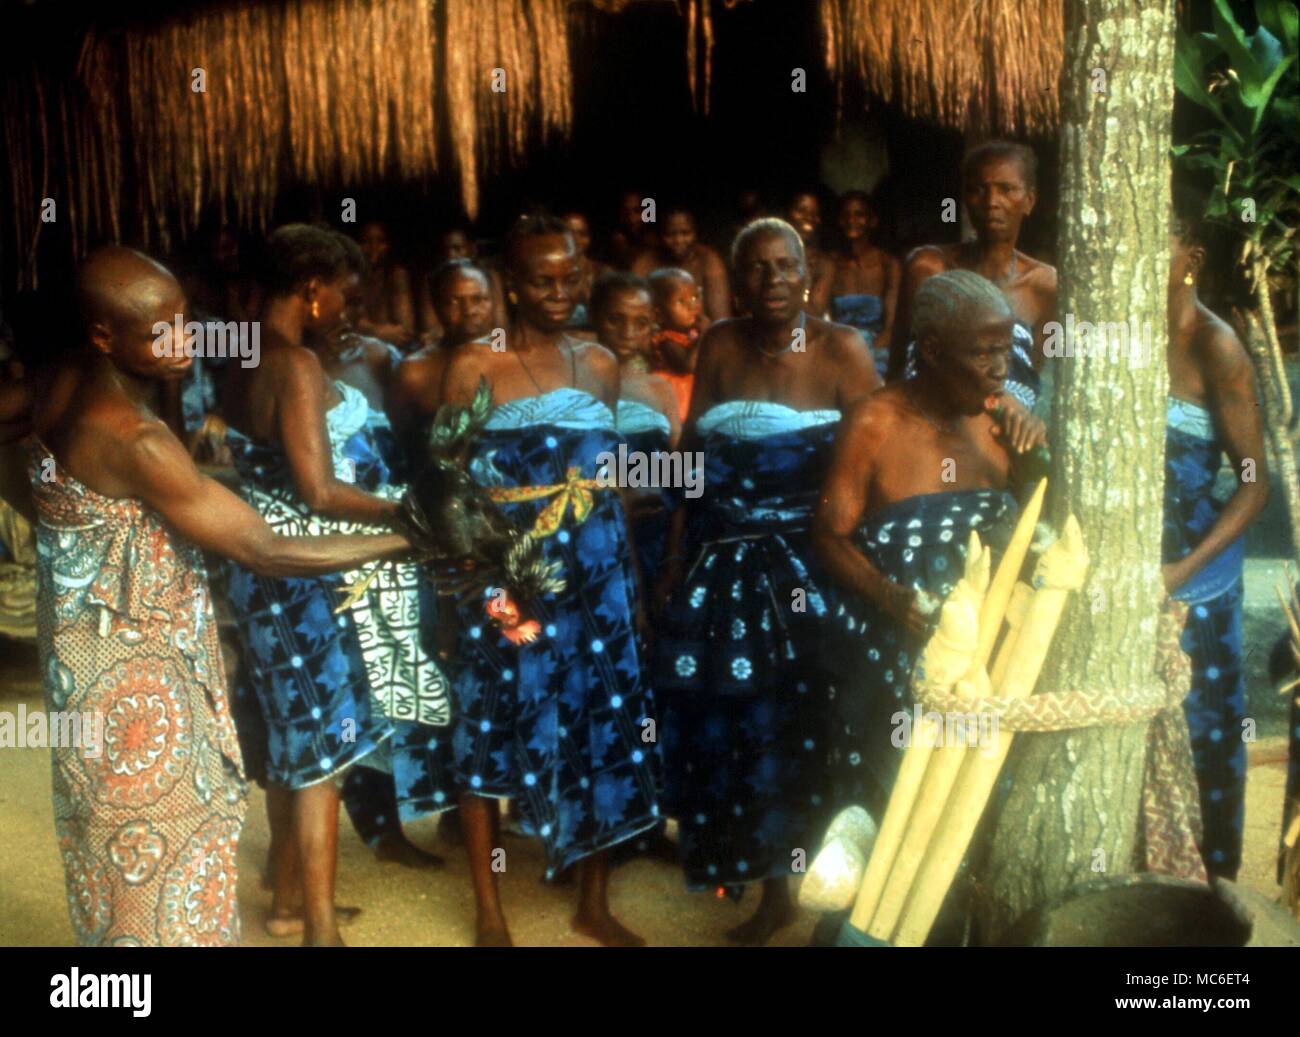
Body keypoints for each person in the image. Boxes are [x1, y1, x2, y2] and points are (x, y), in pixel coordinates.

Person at [0, 246, 411, 946]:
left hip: (85, 678)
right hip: (144, 698)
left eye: (185, 321)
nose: (186, 340)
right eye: (163, 331)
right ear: (104, 335)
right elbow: (265, 549)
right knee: (167, 865)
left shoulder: (57, 382)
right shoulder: (136, 439)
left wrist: (45, 513)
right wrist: (410, 535)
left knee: (113, 863)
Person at [219, 225, 453, 945]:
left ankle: (288, 899)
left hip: (259, 559)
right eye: (348, 296)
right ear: (312, 288)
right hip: (304, 566)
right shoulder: (294, 363)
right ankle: (319, 929)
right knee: (321, 747)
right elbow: (319, 490)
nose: (352, 311)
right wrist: (412, 514)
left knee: (294, 732)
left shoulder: (237, 351)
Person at [653, 218, 878, 944]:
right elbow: (692, 459)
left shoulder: (843, 350)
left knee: (814, 725)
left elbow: (878, 452)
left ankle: (837, 894)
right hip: (723, 568)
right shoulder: (719, 343)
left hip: (812, 574)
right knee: (743, 730)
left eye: (786, 266)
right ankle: (773, 891)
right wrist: (673, 556)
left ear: (807, 273)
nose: (772, 280)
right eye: (756, 269)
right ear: (738, 279)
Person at [438, 213, 660, 946]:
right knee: (487, 722)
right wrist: (467, 584)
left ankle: (593, 900)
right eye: (541, 279)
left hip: (598, 573)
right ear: (509, 283)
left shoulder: (599, 361)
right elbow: (445, 489)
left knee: (604, 726)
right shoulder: (475, 364)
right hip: (512, 578)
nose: (560, 291)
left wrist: (630, 589)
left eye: (571, 277)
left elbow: (615, 481)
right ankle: (489, 911)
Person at [812, 270, 1044, 826]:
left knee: (976, 820)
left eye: (1005, 351)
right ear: (933, 351)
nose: (1000, 369)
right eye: (983, 353)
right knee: (892, 824)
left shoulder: (1001, 425)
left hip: (986, 674)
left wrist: (1033, 453)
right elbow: (827, 535)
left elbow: (1044, 530)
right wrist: (892, 599)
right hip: (894, 671)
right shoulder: (875, 422)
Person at [1163, 204, 1269, 880]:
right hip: (1135, 565)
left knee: (1205, 735)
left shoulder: (1214, 344)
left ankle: (1214, 894)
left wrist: (1179, 571)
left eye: (1158, 247)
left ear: (1191, 257)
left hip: (1197, 573)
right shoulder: (1123, 335)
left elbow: (1255, 482)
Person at [888, 141, 1054, 407]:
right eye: (978, 190)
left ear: (1029, 201)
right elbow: (899, 365)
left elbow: (1029, 378)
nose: (991, 202)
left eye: (1007, 189)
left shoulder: (1044, 285)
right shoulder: (929, 267)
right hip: (929, 422)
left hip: (1008, 432)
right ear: (965, 199)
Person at [591, 271, 681, 582]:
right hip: (600, 532)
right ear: (595, 317)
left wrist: (674, 554)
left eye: (640, 323)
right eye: (616, 319)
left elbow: (682, 474)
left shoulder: (660, 389)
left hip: (656, 531)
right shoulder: (579, 384)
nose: (628, 332)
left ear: (652, 325)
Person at [393, 259, 497, 453]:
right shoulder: (414, 370)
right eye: (454, 302)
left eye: (478, 299)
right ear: (436, 306)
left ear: (492, 299)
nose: (468, 311)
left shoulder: (510, 350)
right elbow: (401, 441)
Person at [809, 191, 900, 378]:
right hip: (838, 344)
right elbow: (815, 314)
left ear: (872, 221)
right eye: (846, 215)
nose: (852, 220)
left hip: (878, 348)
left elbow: (892, 327)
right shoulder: (829, 264)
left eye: (859, 214)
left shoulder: (888, 265)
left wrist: (866, 355)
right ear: (839, 221)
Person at [633, 205, 731, 322]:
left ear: (696, 233)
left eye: (685, 233)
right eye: (670, 234)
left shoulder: (708, 261)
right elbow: (635, 312)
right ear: (659, 236)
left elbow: (721, 320)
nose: (678, 240)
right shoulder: (645, 262)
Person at [418, 226, 508, 340]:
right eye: (445, 250)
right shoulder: (433, 280)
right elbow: (430, 329)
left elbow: (500, 324)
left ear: (472, 249)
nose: (450, 255)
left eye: (457, 248)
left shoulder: (488, 276)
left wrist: (497, 351)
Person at [647, 268, 705, 425]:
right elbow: (688, 365)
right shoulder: (666, 340)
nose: (691, 306)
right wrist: (705, 335)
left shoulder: (692, 333)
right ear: (659, 314)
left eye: (694, 298)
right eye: (681, 301)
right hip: (677, 399)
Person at [354, 221, 417, 349]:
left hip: (393, 351)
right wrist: (378, 331)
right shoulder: (352, 278)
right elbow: (346, 323)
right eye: (366, 241)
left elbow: (405, 331)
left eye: (380, 241)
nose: (374, 248)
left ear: (389, 245)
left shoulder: (397, 275)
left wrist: (364, 327)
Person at [561, 210, 610, 329]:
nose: (576, 240)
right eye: (569, 234)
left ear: (588, 238)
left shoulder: (602, 272)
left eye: (581, 234)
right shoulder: (550, 273)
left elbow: (609, 317)